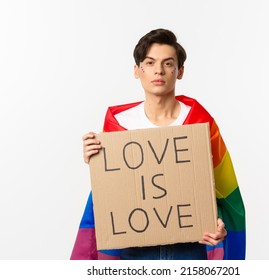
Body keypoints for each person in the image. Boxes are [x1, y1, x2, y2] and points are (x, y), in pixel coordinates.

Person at [70, 28, 245, 260]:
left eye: (168, 63)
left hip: (189, 250)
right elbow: (111, 194)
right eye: (150, 63)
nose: (159, 71)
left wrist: (219, 228)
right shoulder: (118, 124)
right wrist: (94, 160)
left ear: (180, 71)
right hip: (133, 252)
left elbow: (223, 192)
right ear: (137, 70)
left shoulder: (201, 124)